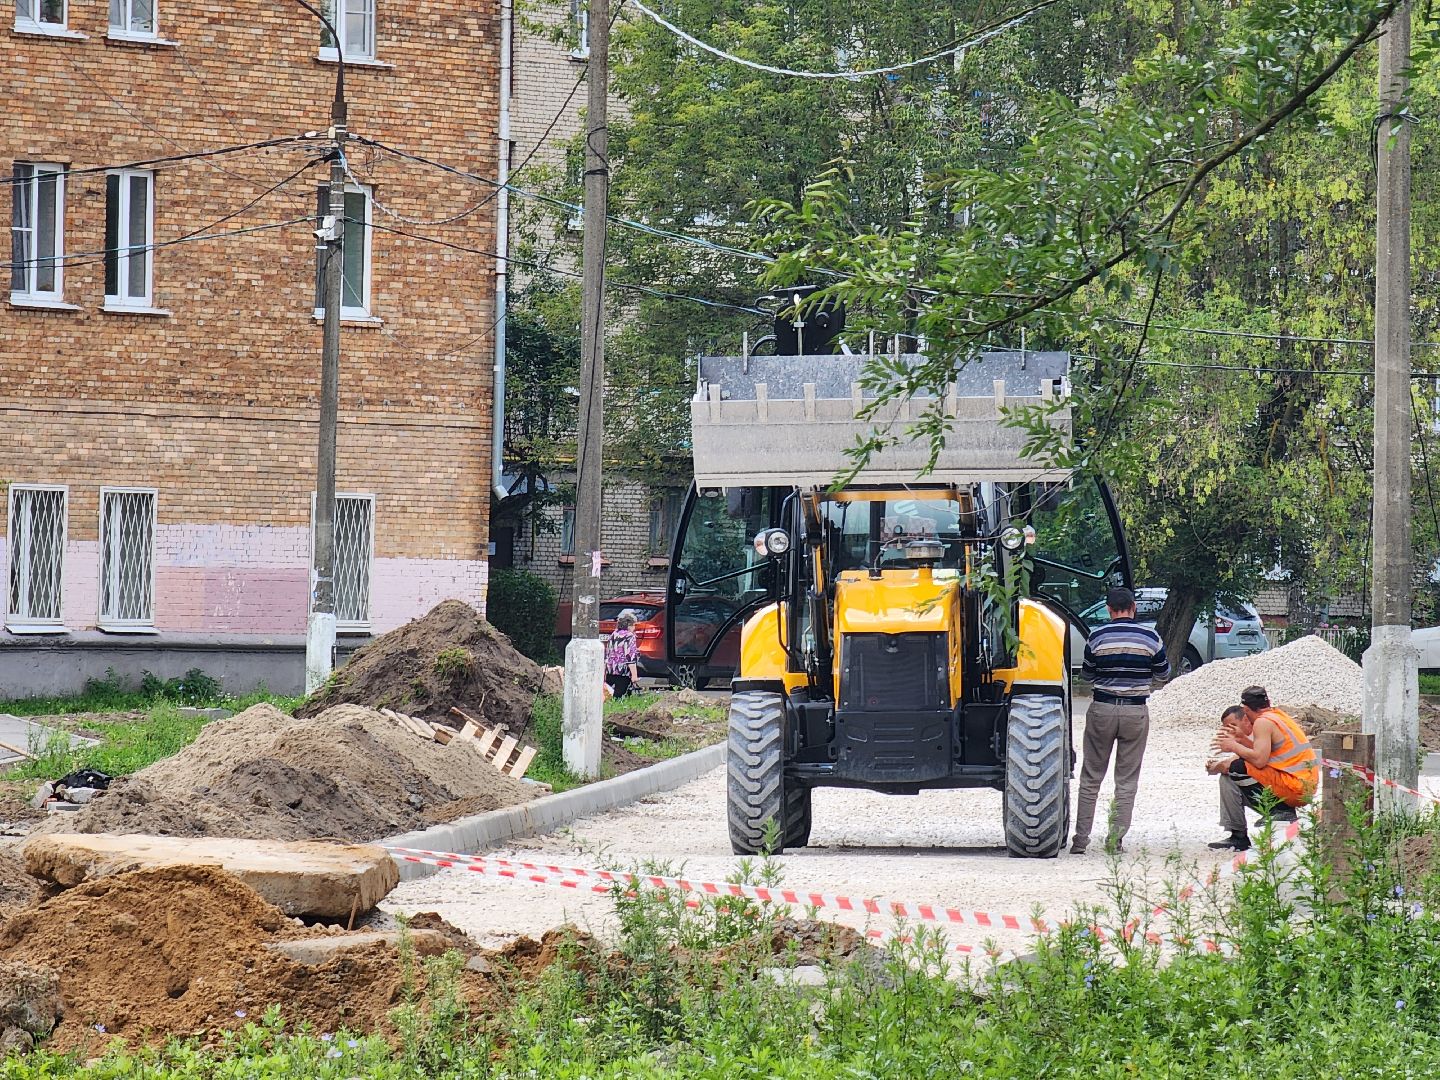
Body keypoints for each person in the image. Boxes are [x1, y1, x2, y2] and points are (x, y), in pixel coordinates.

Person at [1071, 585, 1171, 855]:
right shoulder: (1150, 637)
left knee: (1091, 776)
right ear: (1133, 607)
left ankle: (1081, 840)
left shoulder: (1097, 636)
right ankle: (1115, 840)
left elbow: (1087, 676)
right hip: (1135, 711)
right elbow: (1163, 674)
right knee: (1126, 779)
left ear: (1108, 609)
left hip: (1102, 709)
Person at [1205, 685, 1319, 851]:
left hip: (1295, 787)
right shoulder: (1277, 716)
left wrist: (1232, 746)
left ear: (1245, 710)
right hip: (1301, 785)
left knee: (1238, 768)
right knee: (1229, 777)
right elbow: (1267, 755)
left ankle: (1280, 811)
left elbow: (1258, 760)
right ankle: (1238, 836)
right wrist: (1242, 740)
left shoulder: (1262, 722)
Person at [604, 610, 641, 699]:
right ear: (629, 625)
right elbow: (630, 657)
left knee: (609, 694)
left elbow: (608, 652)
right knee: (620, 697)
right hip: (623, 671)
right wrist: (634, 676)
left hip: (610, 669)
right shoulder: (630, 636)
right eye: (634, 625)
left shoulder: (614, 634)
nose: (634, 628)